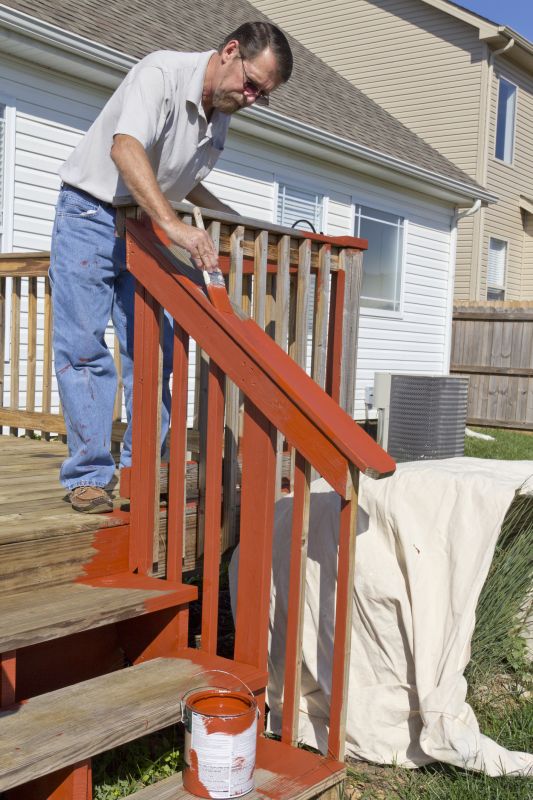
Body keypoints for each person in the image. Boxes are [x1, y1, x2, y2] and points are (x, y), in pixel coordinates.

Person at [50, 22, 293, 513]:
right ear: (229, 51)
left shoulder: (219, 112)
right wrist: (175, 227)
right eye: (251, 85)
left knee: (153, 356)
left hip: (142, 225)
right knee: (83, 351)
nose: (250, 99)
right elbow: (125, 149)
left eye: (262, 96)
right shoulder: (161, 73)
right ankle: (89, 477)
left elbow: (182, 182)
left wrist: (233, 222)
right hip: (89, 214)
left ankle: (143, 470)